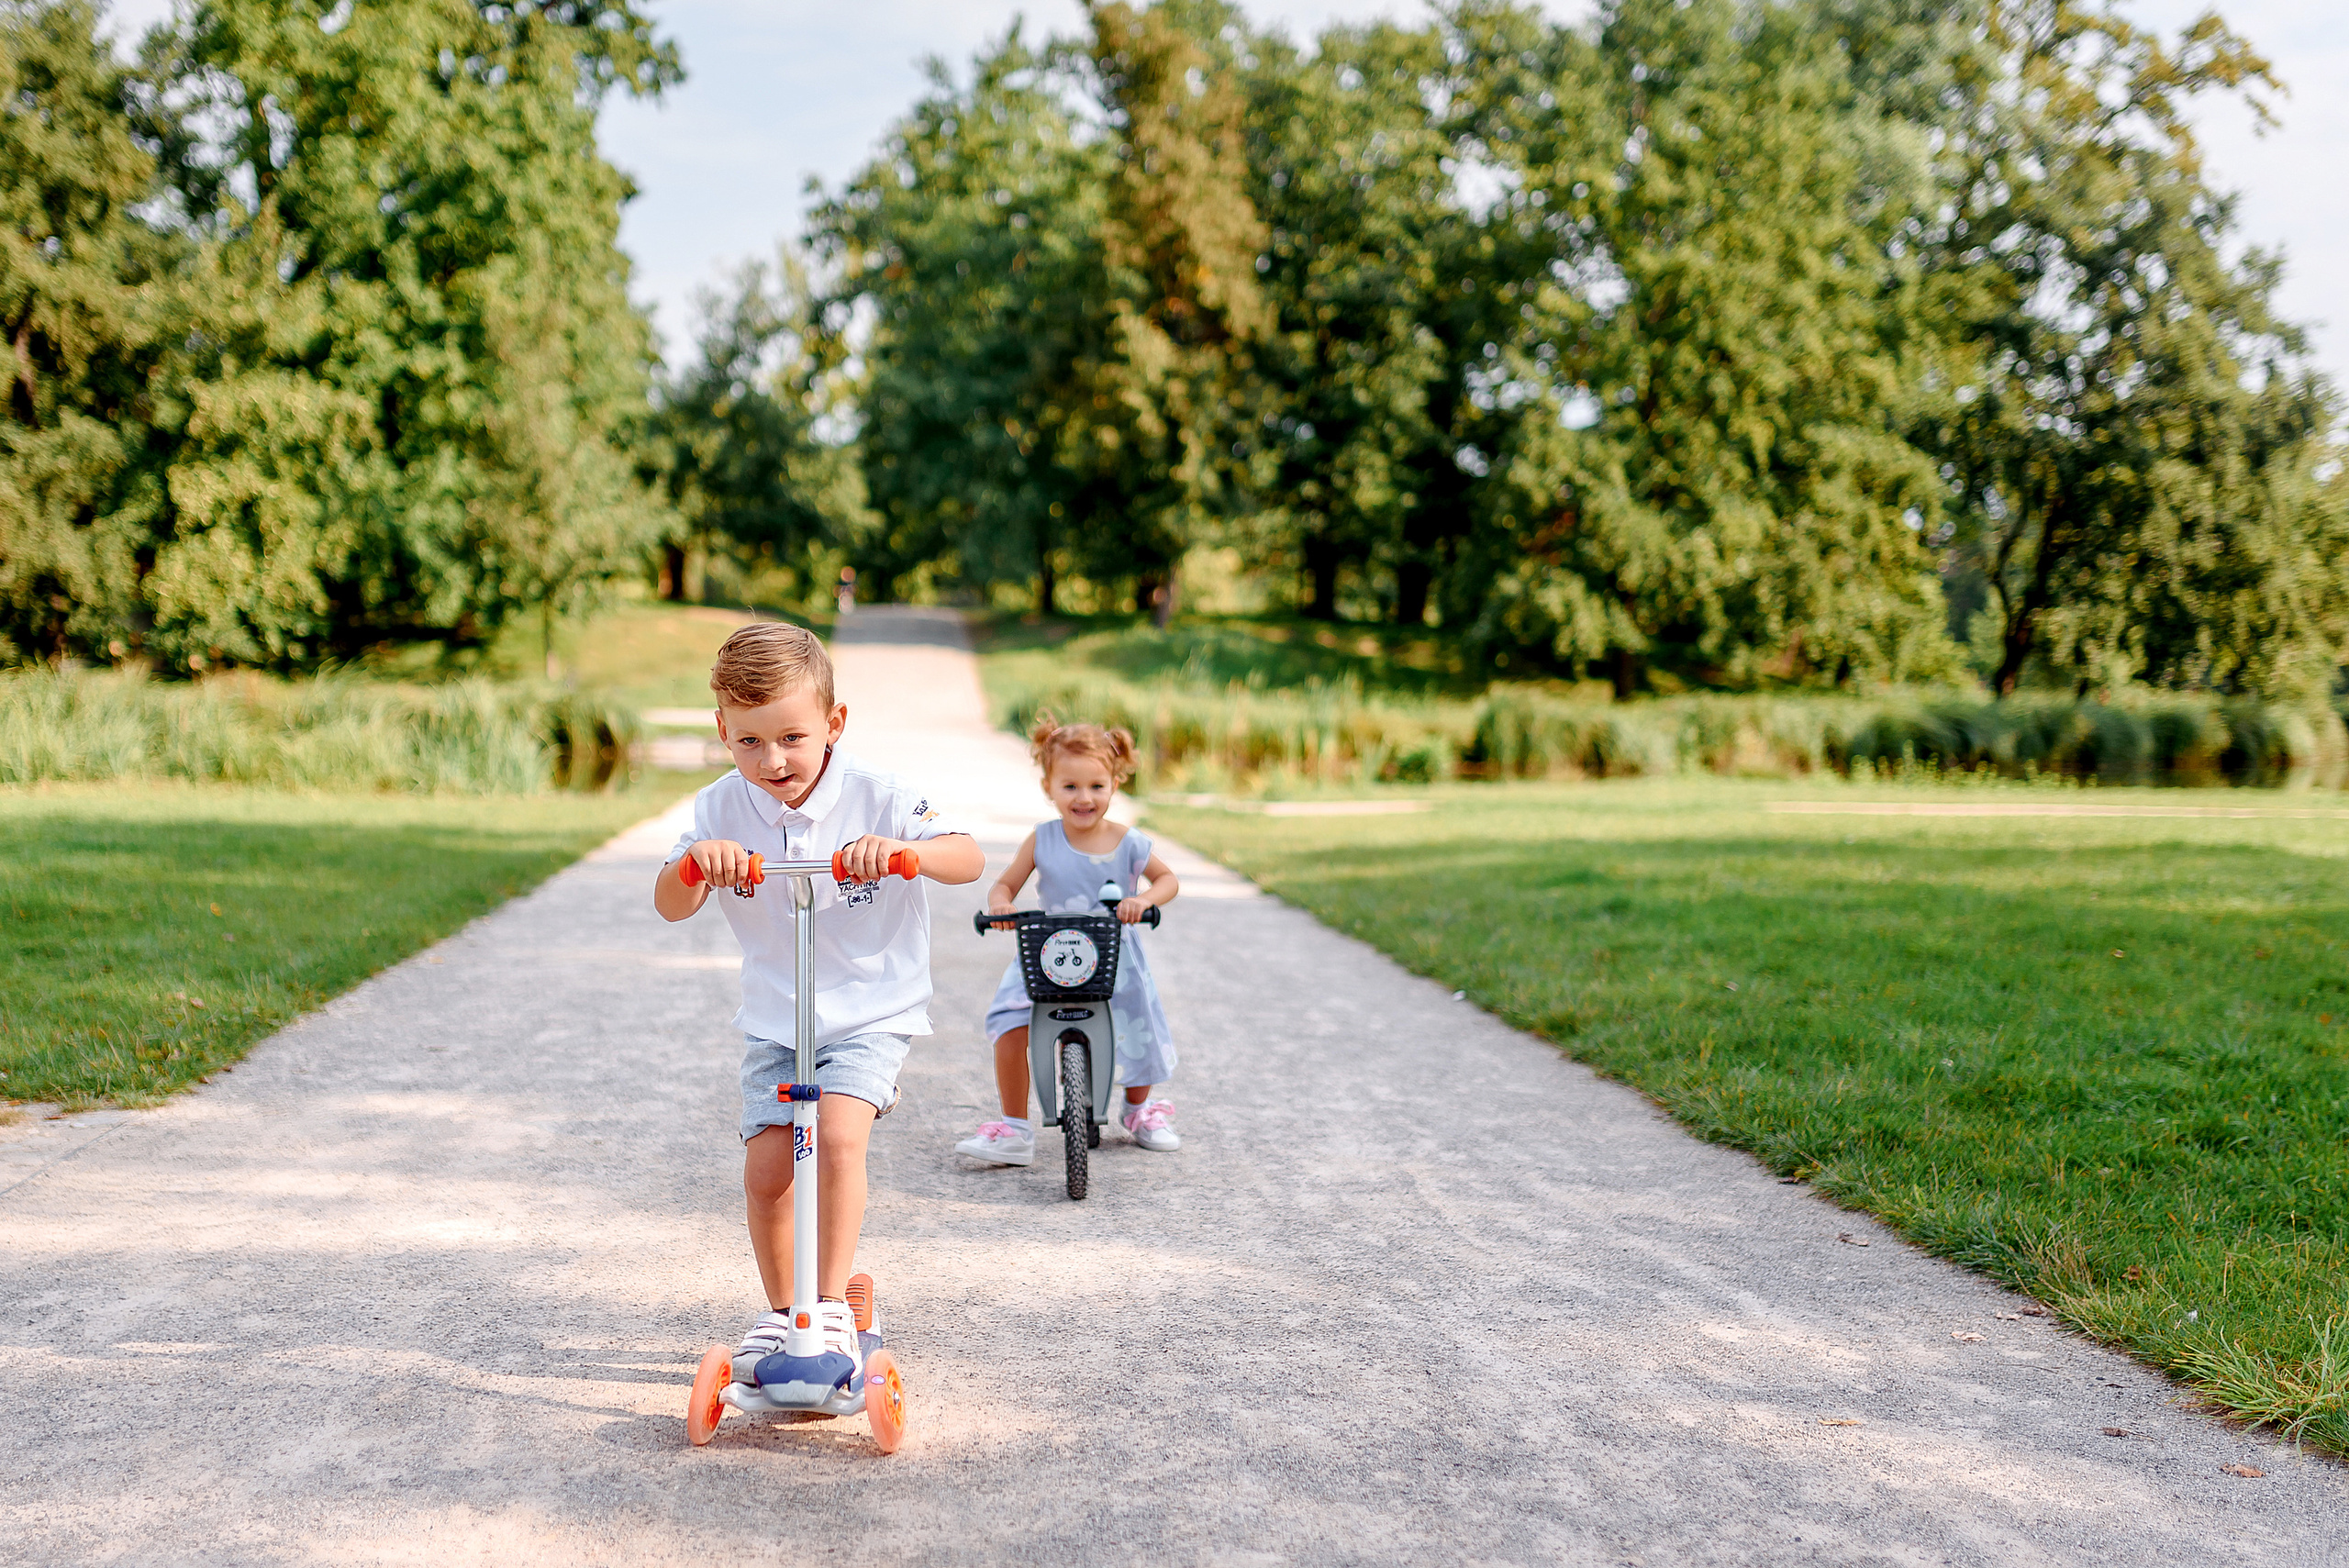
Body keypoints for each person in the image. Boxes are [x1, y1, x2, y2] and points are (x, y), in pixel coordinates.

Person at [653, 621, 984, 1385]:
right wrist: (699, 865)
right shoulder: (718, 808)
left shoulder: (880, 795)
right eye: (749, 742)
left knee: (836, 1136)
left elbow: (966, 857)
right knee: (768, 1168)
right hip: (778, 1016)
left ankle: (829, 1303)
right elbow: (670, 903)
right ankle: (783, 1313)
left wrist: (905, 853)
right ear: (722, 732)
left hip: (868, 1010)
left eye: (793, 737)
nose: (772, 761)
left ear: (835, 723)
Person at [956, 715, 1182, 1165]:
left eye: (1097, 786)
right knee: (1009, 1020)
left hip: (1112, 954)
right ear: (1049, 787)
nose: (1084, 798)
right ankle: (1015, 1127)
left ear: (1115, 784)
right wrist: (1002, 906)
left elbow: (1168, 880)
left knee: (1138, 1023)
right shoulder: (1042, 839)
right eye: (1071, 786)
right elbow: (1005, 886)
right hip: (1046, 951)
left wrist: (1143, 900)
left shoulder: (1129, 842)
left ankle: (1138, 1109)